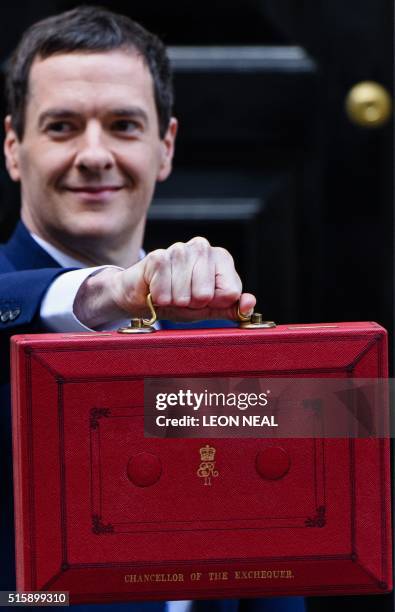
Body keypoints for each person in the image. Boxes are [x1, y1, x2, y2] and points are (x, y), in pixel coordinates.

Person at [0, 6, 305, 612]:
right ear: (14, 148)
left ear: (164, 148)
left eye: (123, 125)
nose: (93, 154)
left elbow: (275, 561)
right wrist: (104, 293)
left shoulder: (227, 338)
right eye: (61, 126)